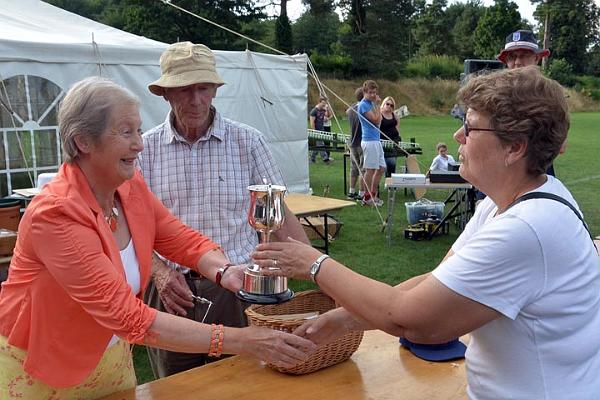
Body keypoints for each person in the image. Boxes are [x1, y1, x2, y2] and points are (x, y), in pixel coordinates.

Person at [253, 67, 600, 399]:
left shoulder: (527, 228)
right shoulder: (511, 203)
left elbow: (414, 321)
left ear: (515, 147)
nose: (458, 136)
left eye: (471, 126)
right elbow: (437, 280)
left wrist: (315, 264)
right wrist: (344, 319)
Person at [0, 77, 315, 399]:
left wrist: (224, 271)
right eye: (126, 132)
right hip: (43, 367)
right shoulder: (55, 215)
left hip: (109, 357)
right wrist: (240, 340)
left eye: (138, 130)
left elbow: (178, 238)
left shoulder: (128, 185)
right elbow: (129, 317)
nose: (139, 143)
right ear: (83, 141)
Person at [140, 41, 310, 379]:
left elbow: (277, 215)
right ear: (165, 94)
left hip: (239, 290)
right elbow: (131, 230)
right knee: (177, 388)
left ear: (215, 90)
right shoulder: (145, 150)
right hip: (171, 293)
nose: (195, 99)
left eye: (202, 88)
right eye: (184, 89)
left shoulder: (248, 142)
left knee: (241, 383)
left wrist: (317, 266)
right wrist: (158, 273)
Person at [497, 29, 557, 177]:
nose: (517, 62)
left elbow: (559, 145)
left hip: (537, 174)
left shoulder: (549, 95)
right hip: (498, 174)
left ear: (536, 58)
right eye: (512, 57)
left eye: (524, 55)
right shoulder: (494, 94)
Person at [358, 80, 385, 206]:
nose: (373, 95)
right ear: (364, 92)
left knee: (381, 168)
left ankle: (373, 194)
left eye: (374, 92)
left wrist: (376, 106)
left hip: (376, 140)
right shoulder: (364, 105)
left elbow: (379, 119)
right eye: (370, 92)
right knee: (370, 169)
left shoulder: (371, 104)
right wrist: (378, 106)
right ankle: (367, 197)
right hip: (369, 141)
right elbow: (376, 120)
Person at [346, 87, 365, 200]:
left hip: (352, 142)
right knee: (363, 169)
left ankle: (351, 191)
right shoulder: (363, 109)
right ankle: (361, 193)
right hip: (362, 142)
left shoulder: (351, 108)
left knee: (354, 168)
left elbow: (347, 111)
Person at [379, 96, 401, 177]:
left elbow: (397, 128)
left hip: (393, 142)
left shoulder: (394, 115)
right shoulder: (379, 114)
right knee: (384, 164)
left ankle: (391, 185)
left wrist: (397, 138)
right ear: (383, 104)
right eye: (387, 104)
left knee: (392, 163)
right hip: (382, 143)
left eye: (392, 105)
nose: (389, 106)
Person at [309, 96, 333, 164]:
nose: (324, 105)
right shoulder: (314, 111)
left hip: (322, 129)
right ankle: (326, 159)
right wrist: (314, 131)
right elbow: (312, 122)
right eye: (323, 103)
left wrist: (327, 109)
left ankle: (312, 158)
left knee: (318, 146)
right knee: (321, 144)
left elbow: (329, 115)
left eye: (325, 103)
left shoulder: (323, 110)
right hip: (316, 131)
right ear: (319, 102)